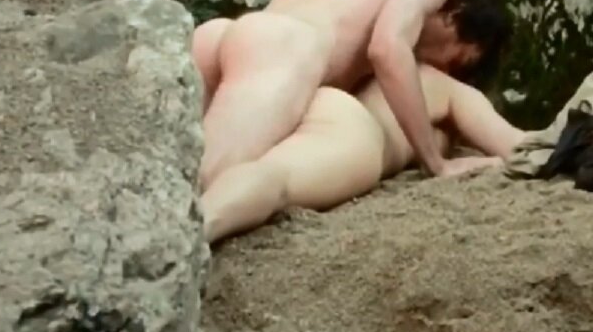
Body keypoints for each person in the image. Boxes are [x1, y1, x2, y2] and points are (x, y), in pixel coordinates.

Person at [191, 0, 512, 191]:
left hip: (225, 36)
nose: (442, 70)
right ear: (454, 17)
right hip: (284, 48)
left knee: (174, 164)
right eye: (457, 61)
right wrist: (435, 162)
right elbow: (388, 49)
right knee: (204, 182)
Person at [200, 63, 528, 245]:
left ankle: (199, 214)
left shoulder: (380, 71)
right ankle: (199, 228)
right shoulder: (448, 86)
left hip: (314, 98)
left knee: (246, 166)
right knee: (277, 177)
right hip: (352, 128)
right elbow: (517, 147)